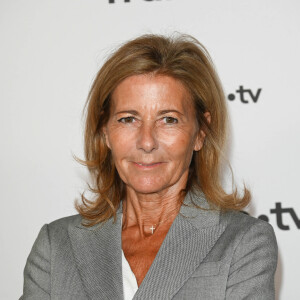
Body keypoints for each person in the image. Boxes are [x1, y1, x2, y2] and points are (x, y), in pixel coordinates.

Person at [20, 34, 277, 300]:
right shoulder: (56, 246)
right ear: (105, 131)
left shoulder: (244, 242)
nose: (146, 142)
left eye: (168, 119)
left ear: (201, 132)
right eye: (128, 119)